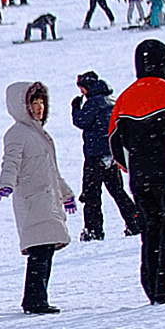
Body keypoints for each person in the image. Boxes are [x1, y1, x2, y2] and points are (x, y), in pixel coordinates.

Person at [109, 39, 165, 304]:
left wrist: (131, 169)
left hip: (139, 178)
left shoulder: (124, 98)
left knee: (151, 231)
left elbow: (114, 142)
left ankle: (152, 285)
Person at [0, 82, 76, 315]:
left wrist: (66, 195)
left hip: (46, 200)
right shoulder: (17, 134)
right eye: (33, 102)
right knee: (40, 251)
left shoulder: (39, 134)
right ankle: (34, 300)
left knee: (45, 249)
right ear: (22, 106)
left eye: (41, 102)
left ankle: (37, 298)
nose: (39, 107)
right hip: (32, 201)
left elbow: (52, 171)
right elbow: (10, 162)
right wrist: (6, 185)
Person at [71, 72, 141, 241]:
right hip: (112, 153)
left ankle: (93, 230)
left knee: (91, 194)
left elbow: (81, 121)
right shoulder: (111, 100)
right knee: (118, 191)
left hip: (95, 155)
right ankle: (135, 222)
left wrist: (75, 108)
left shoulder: (94, 102)